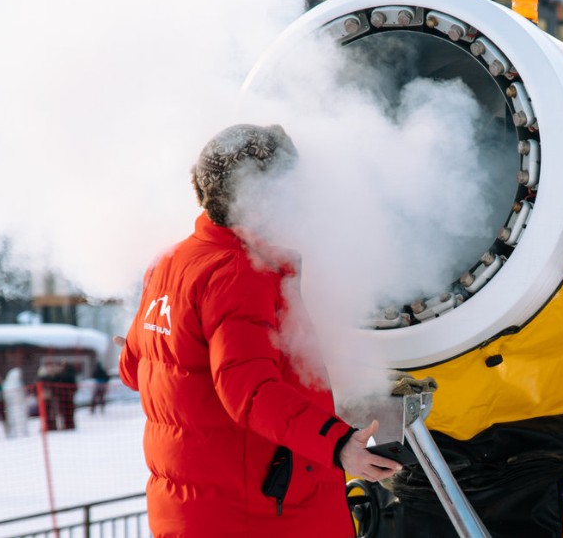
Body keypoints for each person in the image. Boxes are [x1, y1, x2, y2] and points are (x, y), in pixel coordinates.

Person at [118, 124, 402, 537]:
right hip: (258, 513)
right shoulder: (239, 271)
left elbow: (132, 369)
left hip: (194, 510)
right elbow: (249, 390)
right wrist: (337, 445)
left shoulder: (171, 261)